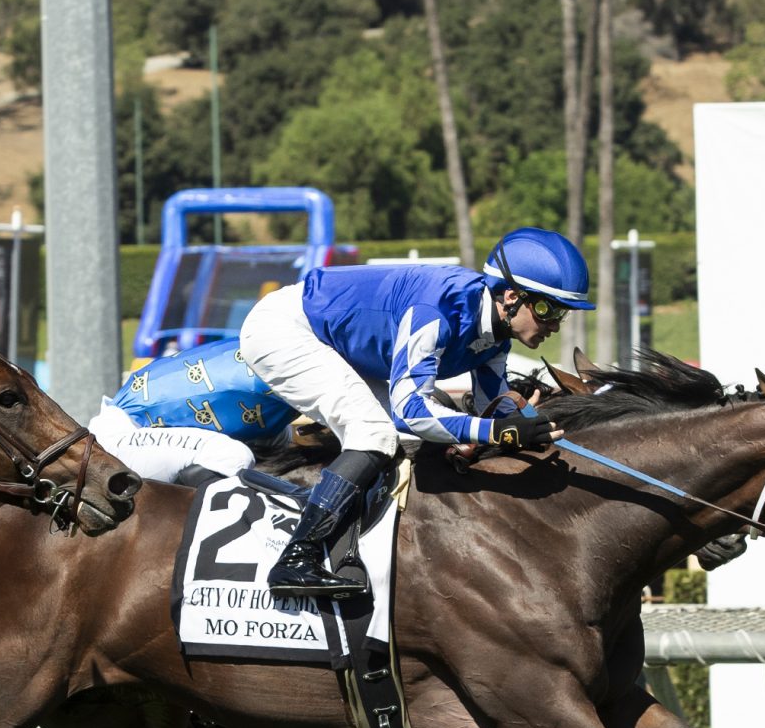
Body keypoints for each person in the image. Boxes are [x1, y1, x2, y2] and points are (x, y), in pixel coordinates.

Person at [238, 226, 593, 599]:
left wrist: (546, 425)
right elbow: (411, 410)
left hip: (339, 340)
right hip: (287, 330)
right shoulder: (436, 313)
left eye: (562, 314)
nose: (554, 324)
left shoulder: (497, 335)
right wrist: (497, 432)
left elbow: (496, 401)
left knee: (411, 437)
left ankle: (358, 546)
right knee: (375, 432)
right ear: (510, 297)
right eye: (546, 309)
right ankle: (297, 557)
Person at [86, 339, 301, 488]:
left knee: (281, 440)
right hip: (123, 438)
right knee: (233, 457)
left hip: (129, 419)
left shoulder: (277, 342)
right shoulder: (290, 364)